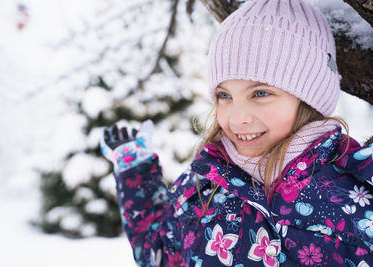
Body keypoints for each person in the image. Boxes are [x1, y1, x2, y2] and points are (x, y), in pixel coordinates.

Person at [100, 0, 373, 266]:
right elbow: (159, 254)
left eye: (261, 93)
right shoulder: (203, 185)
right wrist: (136, 174)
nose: (238, 118)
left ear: (309, 96)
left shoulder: (356, 193)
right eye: (224, 95)